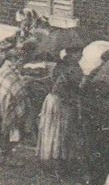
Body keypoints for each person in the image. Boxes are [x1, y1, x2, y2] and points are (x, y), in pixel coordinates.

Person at [36, 47, 85, 177]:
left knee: (54, 132)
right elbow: (70, 88)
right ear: (72, 53)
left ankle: (54, 162)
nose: (81, 56)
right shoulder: (71, 68)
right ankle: (59, 165)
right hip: (60, 102)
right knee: (60, 132)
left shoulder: (61, 64)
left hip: (53, 100)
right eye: (79, 53)